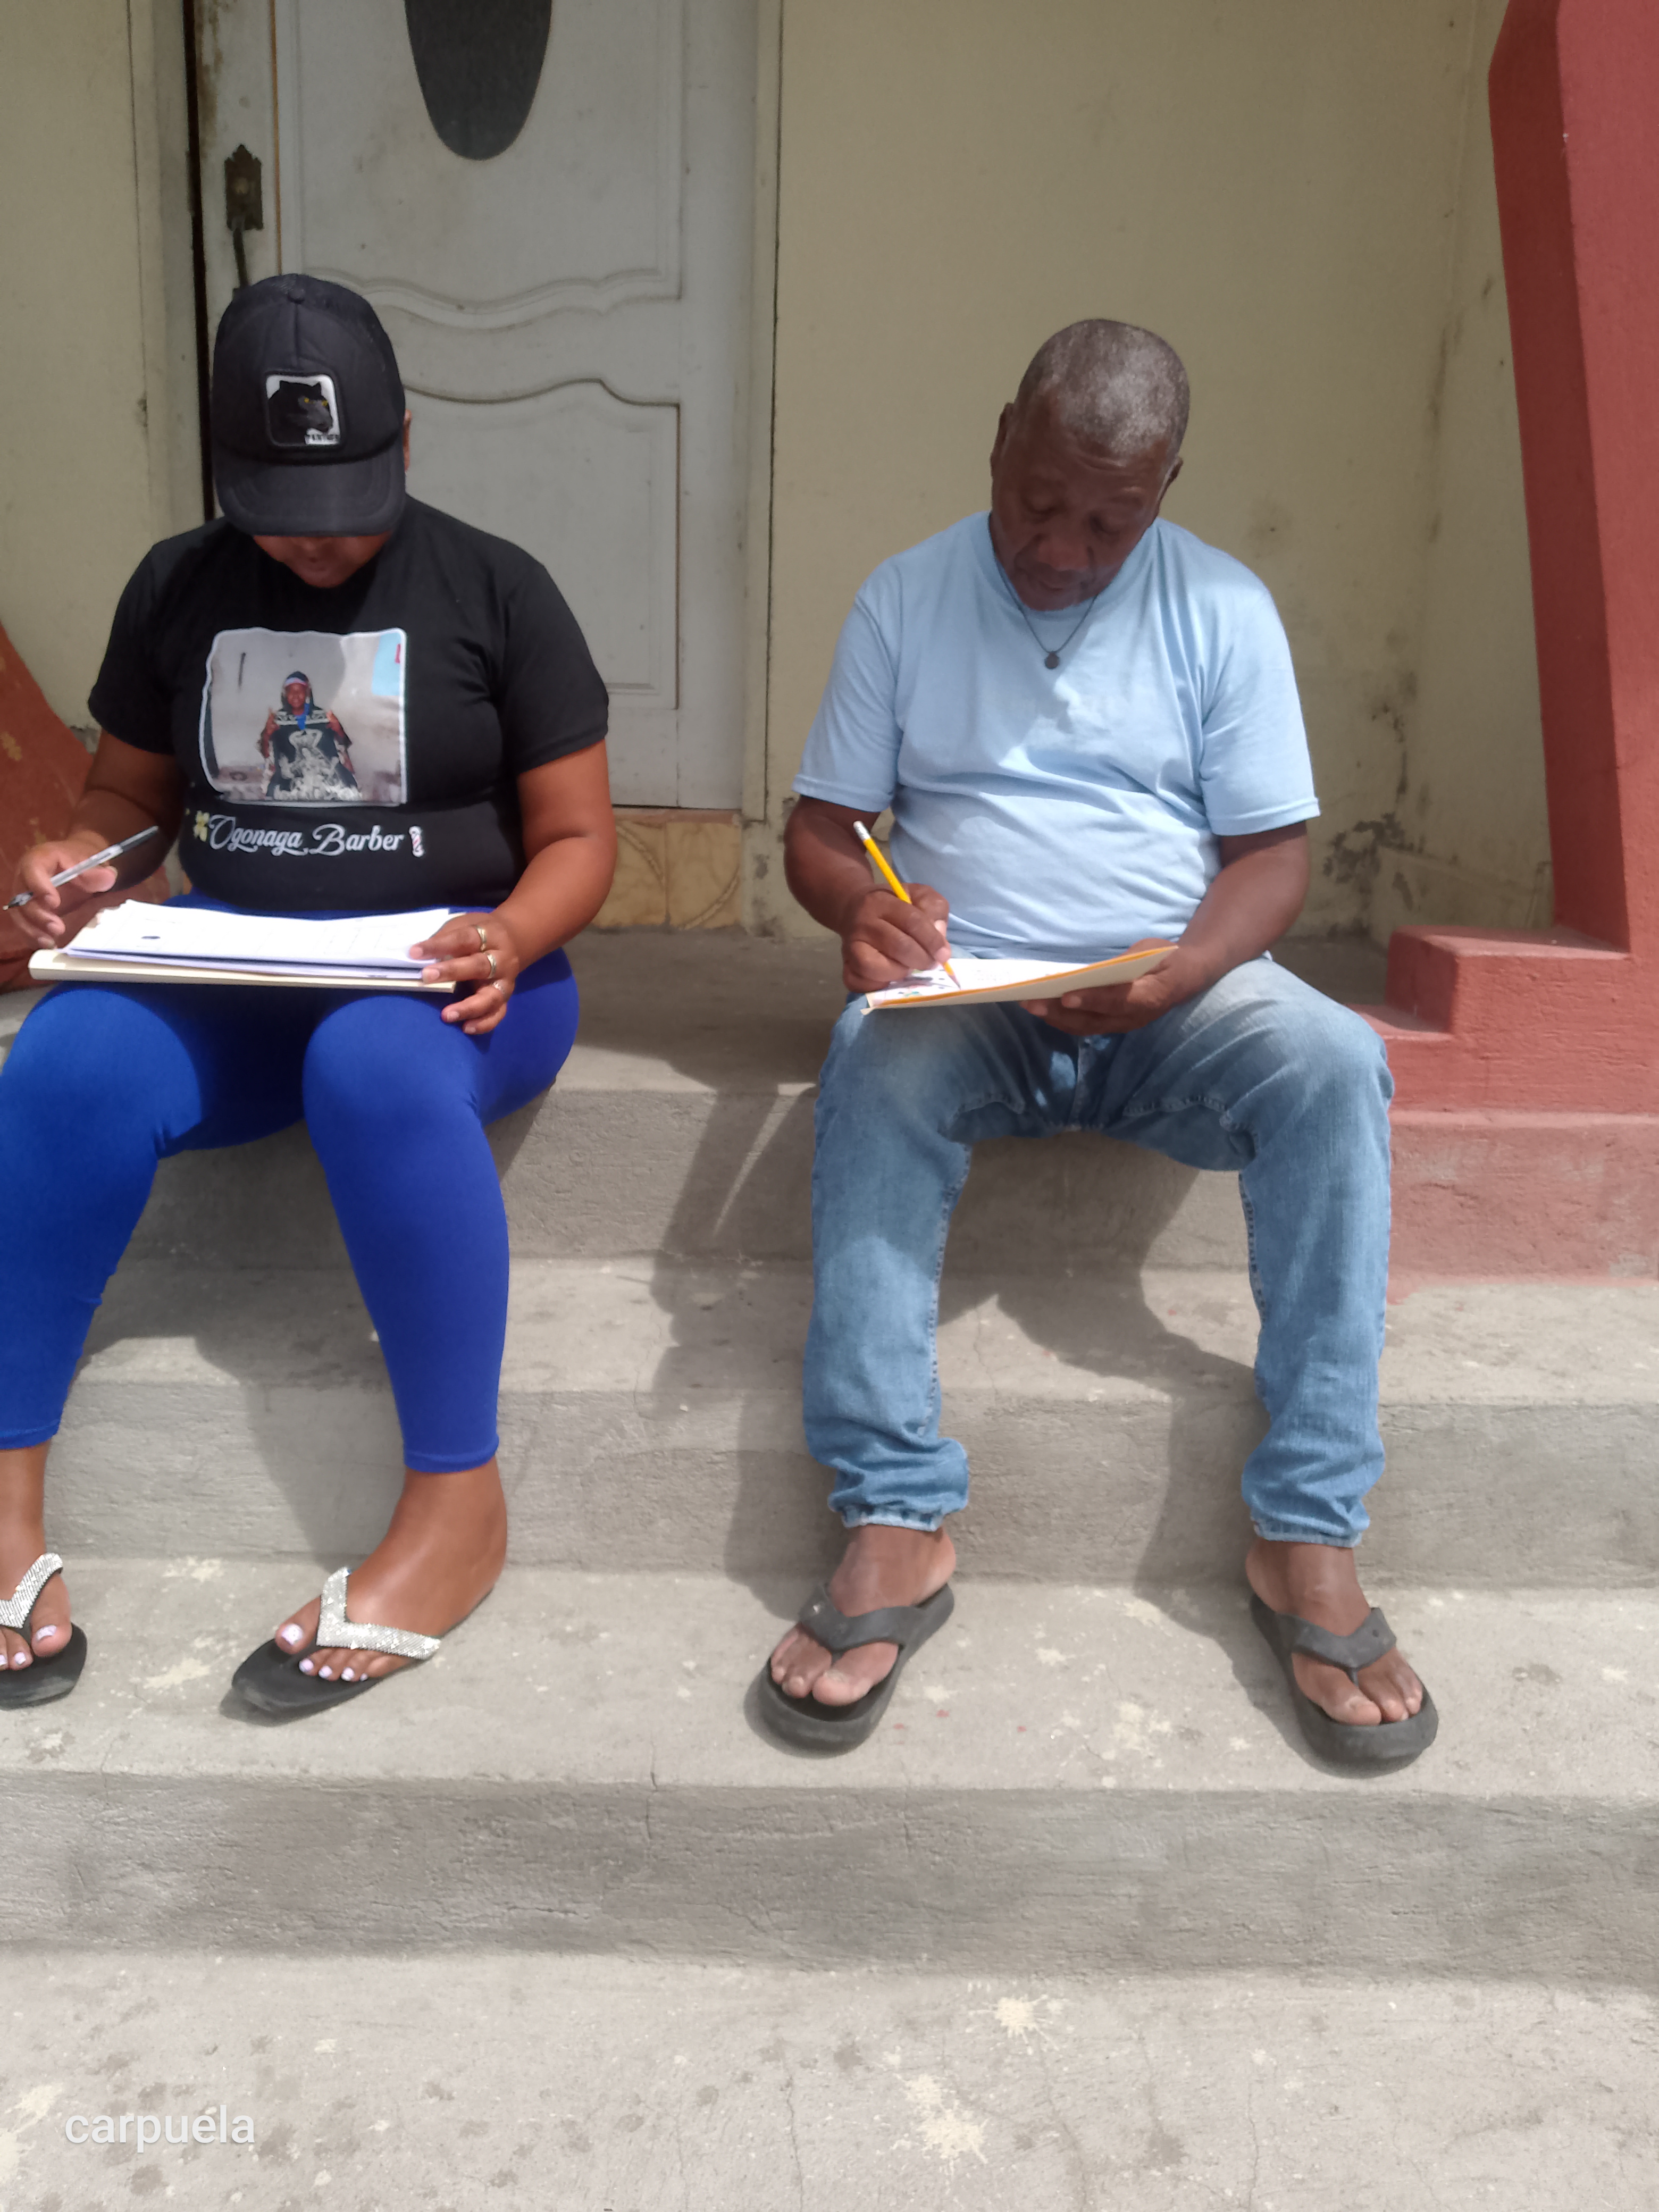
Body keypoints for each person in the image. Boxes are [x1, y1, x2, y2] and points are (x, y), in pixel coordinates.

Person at [761, 320, 1436, 1766]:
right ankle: (895, 1511)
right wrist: (861, 911)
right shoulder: (904, 598)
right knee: (871, 1056)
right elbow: (823, 833)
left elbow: (1271, 859)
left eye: (1109, 524)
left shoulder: (1223, 608)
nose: (1061, 550)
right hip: (972, 1008)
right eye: (1037, 504)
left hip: (1175, 999)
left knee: (1335, 1061)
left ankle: (1306, 1529)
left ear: (1166, 489)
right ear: (997, 441)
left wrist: (1184, 968)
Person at [0, 273, 615, 1713]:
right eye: (278, 509)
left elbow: (583, 840)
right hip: (238, 964)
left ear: (406, 438)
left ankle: (457, 1508)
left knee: (373, 1065)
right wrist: (78, 862)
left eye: (346, 498)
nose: (317, 539)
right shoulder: (178, 586)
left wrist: (511, 932)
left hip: (460, 981)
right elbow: (127, 802)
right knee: (67, 1061)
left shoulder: (498, 590)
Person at [259, 671, 359, 801]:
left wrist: (339, 729)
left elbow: (343, 746)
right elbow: (266, 753)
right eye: (291, 691)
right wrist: (267, 734)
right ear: (285, 694)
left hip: (323, 775)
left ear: (307, 692)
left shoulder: (323, 716)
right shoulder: (277, 719)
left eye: (300, 691)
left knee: (346, 792)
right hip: (292, 779)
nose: (295, 695)